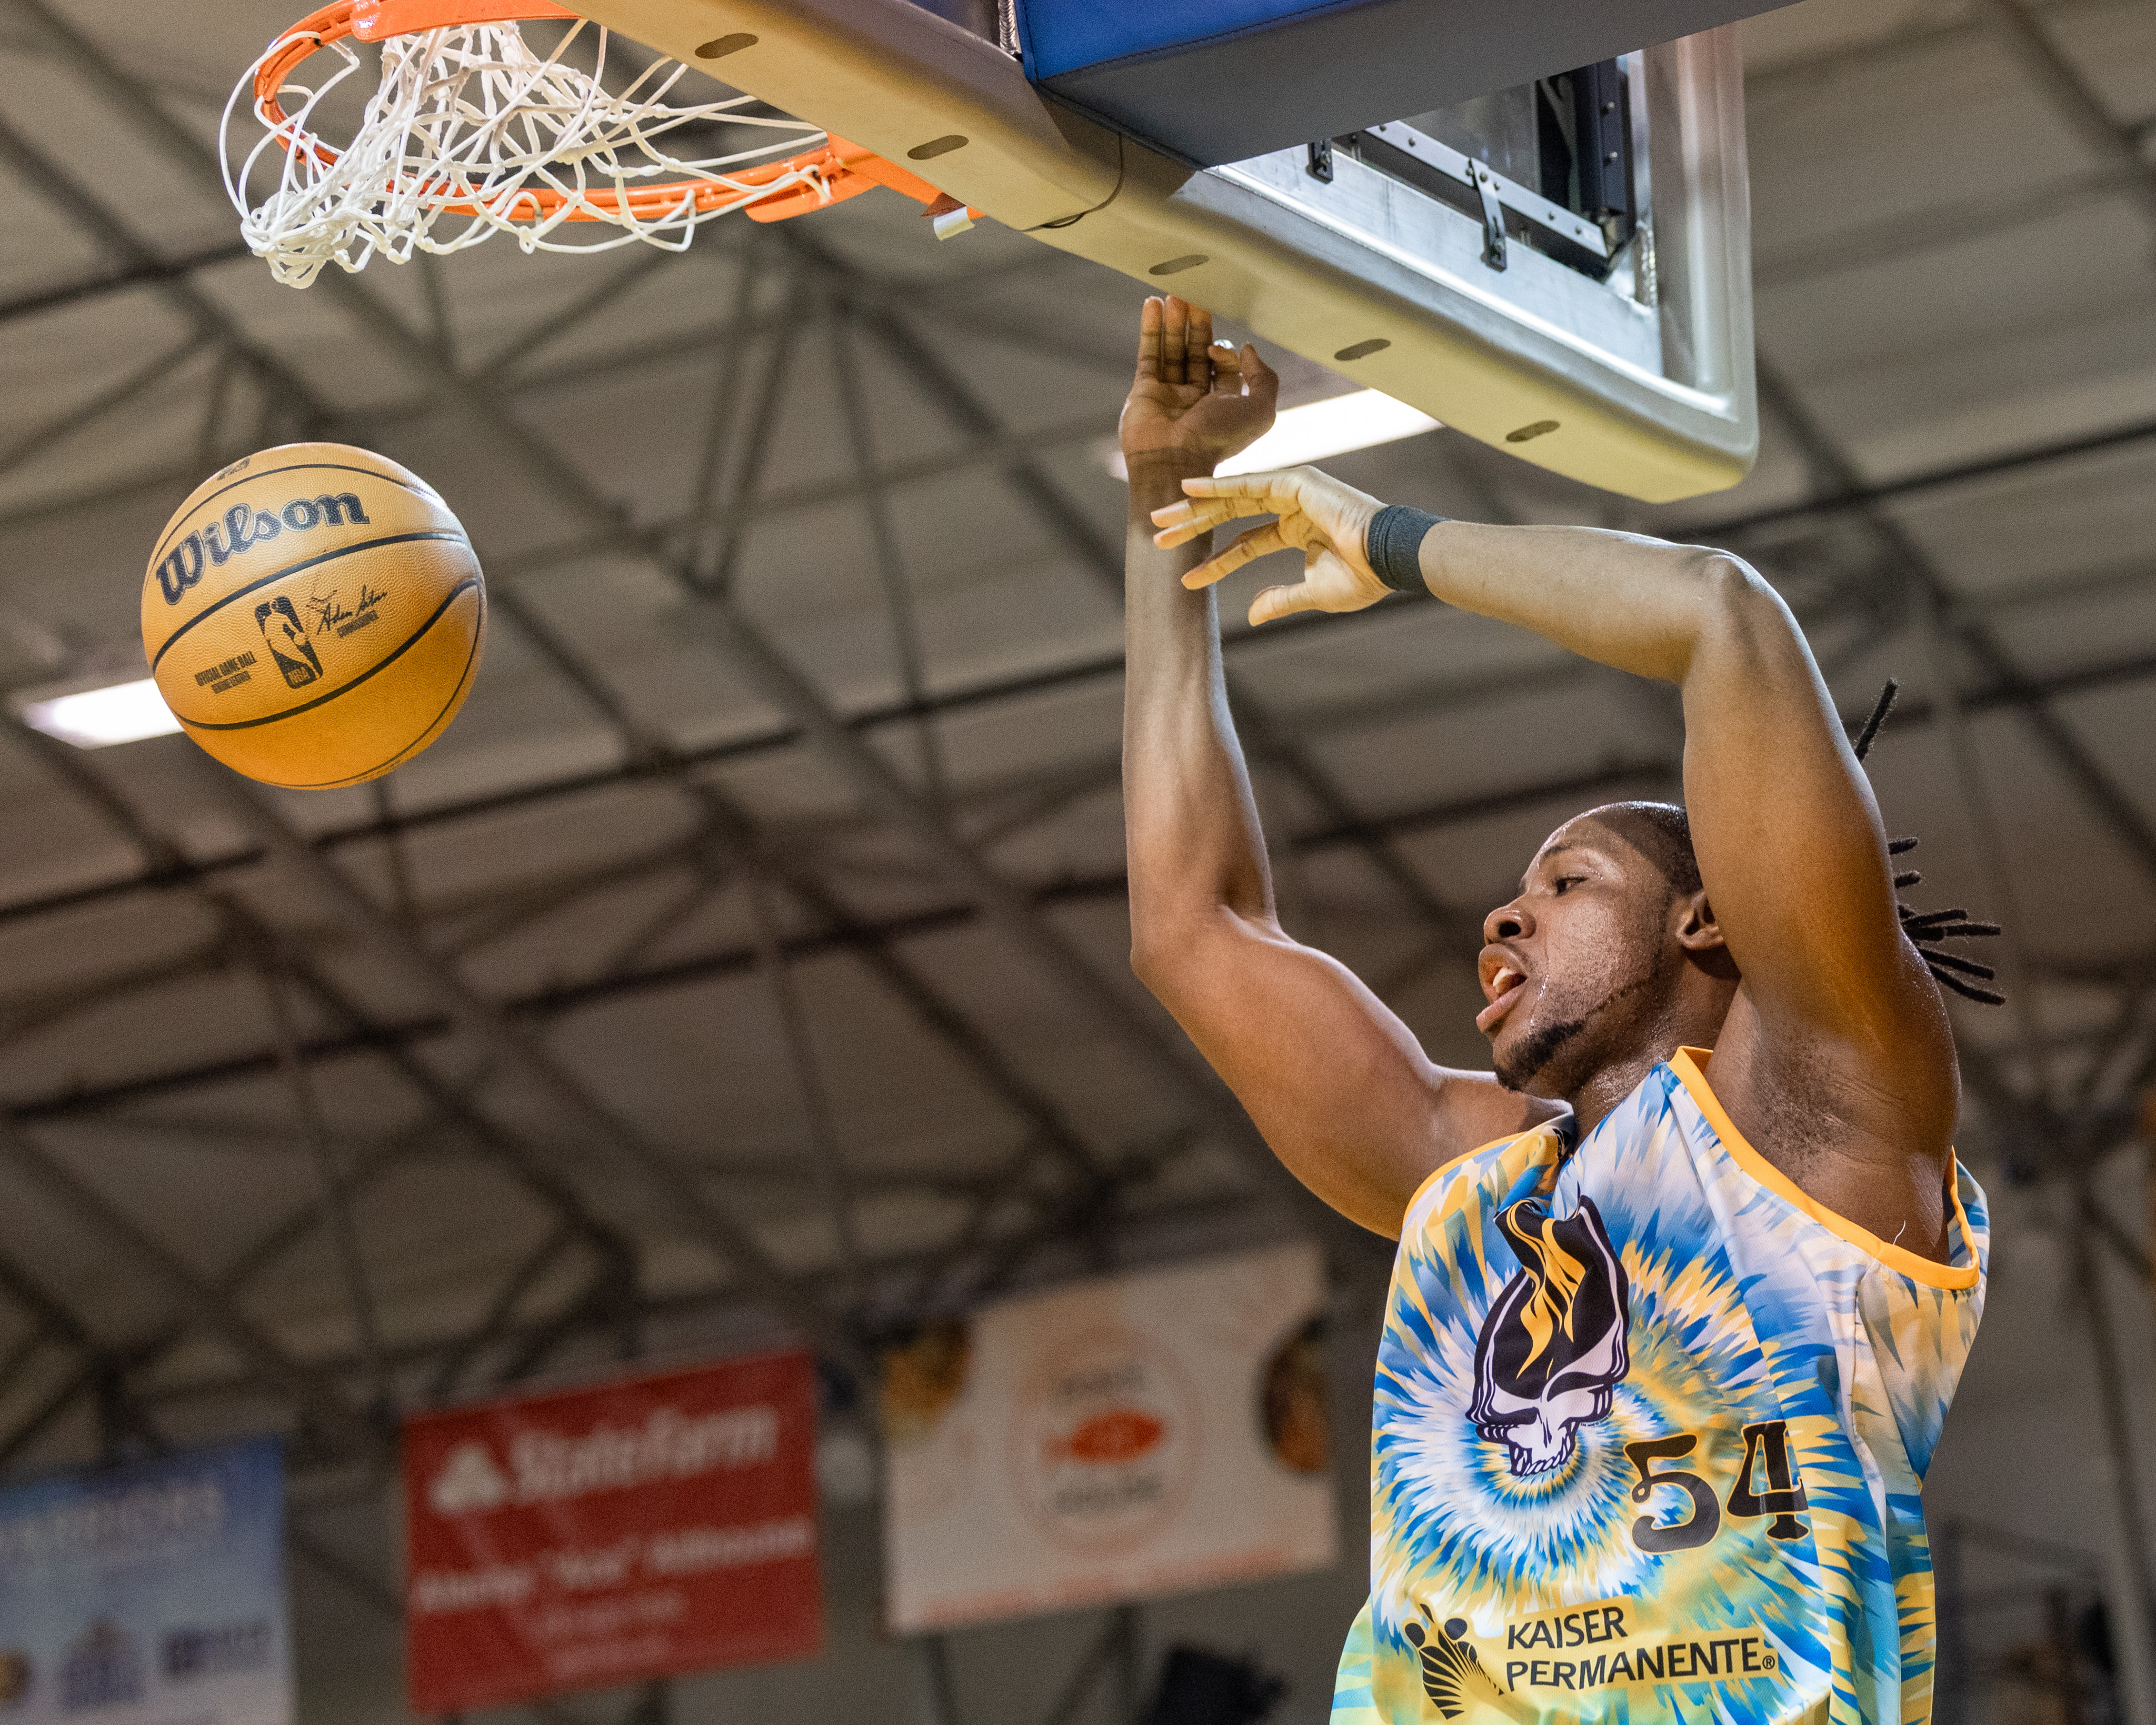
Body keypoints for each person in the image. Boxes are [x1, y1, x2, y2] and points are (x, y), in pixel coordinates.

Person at [1119, 296, 1989, 1725]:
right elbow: (1195, 930)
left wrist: (1390, 543)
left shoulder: (1824, 1129)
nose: (1502, 919)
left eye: (1568, 882)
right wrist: (1170, 509)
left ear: (1710, 921)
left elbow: (1722, 620)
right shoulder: (1467, 1182)